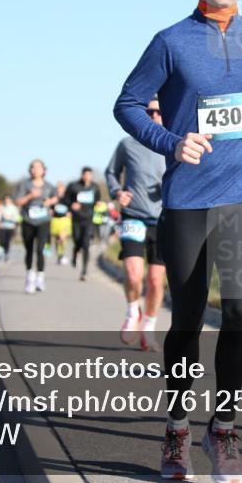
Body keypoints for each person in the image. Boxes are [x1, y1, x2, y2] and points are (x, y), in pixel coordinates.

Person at [114, 0, 242, 483]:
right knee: (186, 321)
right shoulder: (170, 41)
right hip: (187, 200)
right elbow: (126, 103)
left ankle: (225, 427)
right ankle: (176, 427)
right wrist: (169, 141)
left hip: (241, 195)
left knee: (239, 313)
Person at [105, 98, 167, 352]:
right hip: (133, 216)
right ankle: (133, 311)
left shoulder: (172, 142)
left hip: (163, 219)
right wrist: (117, 191)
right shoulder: (128, 144)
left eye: (159, 111)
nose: (154, 115)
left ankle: (149, 328)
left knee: (154, 281)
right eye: (149, 111)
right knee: (133, 273)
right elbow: (111, 172)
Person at [14, 159, 58, 293]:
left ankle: (40, 276)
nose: (36, 170)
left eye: (39, 167)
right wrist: (30, 196)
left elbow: (56, 198)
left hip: (43, 221)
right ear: (30, 170)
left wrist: (49, 202)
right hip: (28, 220)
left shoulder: (49, 186)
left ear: (44, 170)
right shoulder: (24, 184)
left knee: (40, 249)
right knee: (29, 249)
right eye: (33, 167)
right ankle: (29, 277)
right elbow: (18, 201)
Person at [65, 167, 100, 281]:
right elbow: (65, 199)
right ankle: (75, 252)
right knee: (77, 241)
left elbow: (97, 200)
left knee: (86, 245)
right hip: (76, 219)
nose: (87, 177)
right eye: (85, 174)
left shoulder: (95, 187)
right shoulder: (73, 186)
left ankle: (84, 271)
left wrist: (97, 204)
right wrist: (71, 205)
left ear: (92, 176)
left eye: (89, 175)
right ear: (82, 175)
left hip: (88, 219)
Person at [49, 181, 72, 265]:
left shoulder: (67, 199)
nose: (60, 191)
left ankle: (62, 254)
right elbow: (51, 208)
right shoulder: (54, 199)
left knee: (63, 238)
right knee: (57, 239)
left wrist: (70, 213)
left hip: (64, 220)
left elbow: (71, 208)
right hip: (56, 220)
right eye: (59, 189)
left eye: (62, 189)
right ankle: (59, 255)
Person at [0, 195, 20, 261]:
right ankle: (1, 253)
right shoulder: (1, 207)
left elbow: (17, 217)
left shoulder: (14, 208)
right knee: (1, 240)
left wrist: (11, 218)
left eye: (8, 199)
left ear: (11, 200)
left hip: (10, 227)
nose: (7, 201)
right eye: (6, 199)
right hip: (2, 226)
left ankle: (6, 253)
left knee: (7, 241)